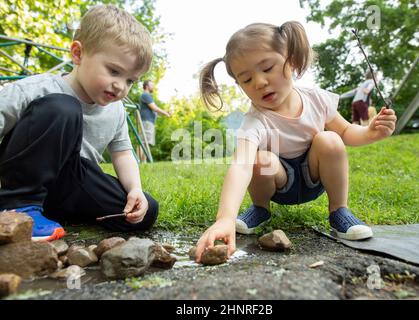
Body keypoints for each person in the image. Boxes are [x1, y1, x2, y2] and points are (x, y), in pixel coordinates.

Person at [195, 22, 396, 262]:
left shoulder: (317, 99)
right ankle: (260, 208)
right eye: (247, 80)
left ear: (290, 60)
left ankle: (339, 211)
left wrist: (370, 133)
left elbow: (346, 131)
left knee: (329, 139)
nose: (259, 82)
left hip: (314, 177)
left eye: (267, 68)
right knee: (259, 159)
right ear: (240, 86)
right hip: (281, 185)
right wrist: (225, 218)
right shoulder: (255, 121)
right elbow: (241, 166)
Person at [0, 5, 159, 241]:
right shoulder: (37, 89)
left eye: (130, 81)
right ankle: (17, 207)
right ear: (78, 54)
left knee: (144, 211)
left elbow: (123, 153)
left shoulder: (115, 110)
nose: (120, 86)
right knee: (64, 108)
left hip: (71, 182)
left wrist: (135, 189)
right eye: (114, 71)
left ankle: (51, 213)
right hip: (22, 179)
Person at [138, 80, 170, 161]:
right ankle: (138, 161)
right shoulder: (146, 95)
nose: (153, 87)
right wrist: (165, 113)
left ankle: (143, 162)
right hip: (146, 121)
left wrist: (165, 113)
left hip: (149, 122)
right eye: (151, 85)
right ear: (147, 86)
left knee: (146, 142)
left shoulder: (148, 96)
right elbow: (154, 108)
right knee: (142, 141)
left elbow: (154, 110)